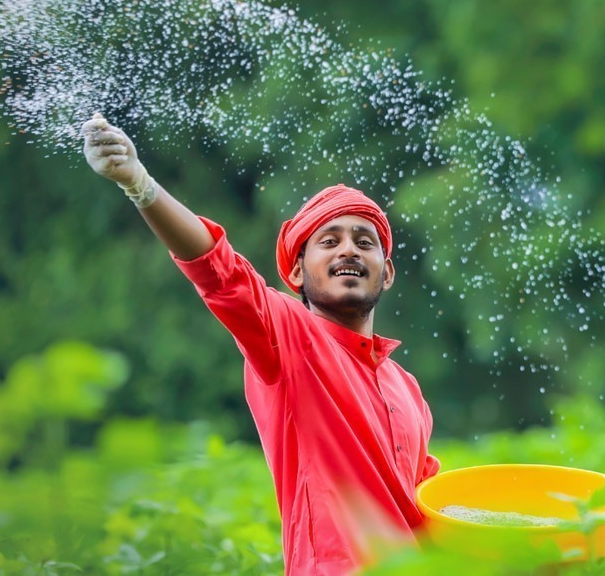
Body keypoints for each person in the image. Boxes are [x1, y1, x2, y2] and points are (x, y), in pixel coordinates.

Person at [82, 114, 441, 575]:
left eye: (364, 241)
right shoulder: (288, 335)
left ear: (386, 273)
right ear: (296, 271)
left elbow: (429, 508)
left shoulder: (405, 387)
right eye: (329, 241)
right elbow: (221, 274)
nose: (348, 250)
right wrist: (140, 184)